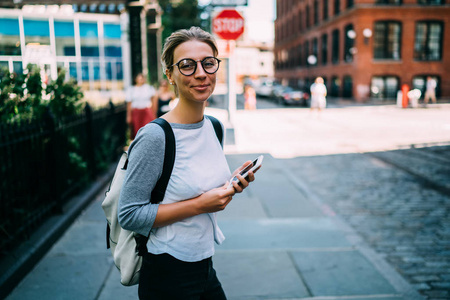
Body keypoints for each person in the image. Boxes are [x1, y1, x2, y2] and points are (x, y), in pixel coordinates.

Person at [118, 26, 258, 300]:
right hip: (167, 274)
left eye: (208, 63)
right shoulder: (155, 137)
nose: (201, 73)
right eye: (186, 65)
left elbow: (196, 185)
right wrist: (201, 205)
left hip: (205, 266)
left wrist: (230, 185)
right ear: (169, 74)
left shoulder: (214, 127)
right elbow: (130, 214)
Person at [126, 73, 156, 139]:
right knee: (137, 129)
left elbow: (153, 101)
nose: (141, 80)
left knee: (148, 128)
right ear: (136, 79)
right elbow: (129, 104)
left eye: (142, 78)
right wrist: (129, 116)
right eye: (139, 78)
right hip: (136, 112)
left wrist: (153, 114)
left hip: (146, 111)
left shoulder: (148, 88)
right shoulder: (132, 90)